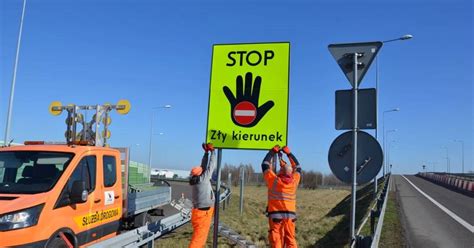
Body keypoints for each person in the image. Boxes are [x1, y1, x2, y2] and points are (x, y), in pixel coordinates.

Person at [262, 145, 301, 248]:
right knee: (290, 238)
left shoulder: (274, 181)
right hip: (290, 216)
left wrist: (271, 152)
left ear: (281, 172)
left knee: (276, 238)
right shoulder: (294, 181)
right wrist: (289, 154)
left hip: (276, 215)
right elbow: (298, 167)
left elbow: (265, 165)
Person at [189, 143, 216, 248]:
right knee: (198, 240)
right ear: (200, 174)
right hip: (203, 214)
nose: (203, 170)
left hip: (198, 212)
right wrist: (213, 152)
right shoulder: (203, 180)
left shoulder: (195, 180)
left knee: (200, 238)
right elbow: (211, 166)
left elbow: (203, 167)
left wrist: (206, 153)